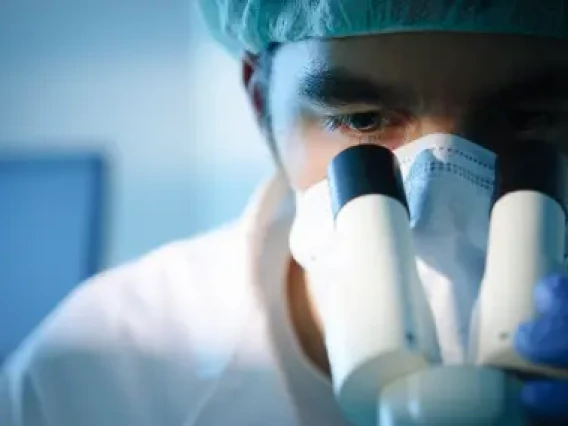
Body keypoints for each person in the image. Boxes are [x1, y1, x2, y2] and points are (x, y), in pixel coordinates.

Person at [2, 1, 568, 424]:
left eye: (528, 121)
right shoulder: (93, 374)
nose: (437, 205)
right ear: (259, 104)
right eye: (364, 120)